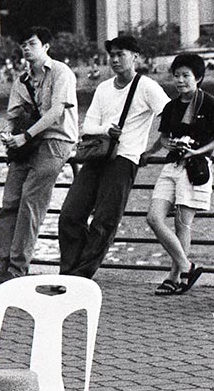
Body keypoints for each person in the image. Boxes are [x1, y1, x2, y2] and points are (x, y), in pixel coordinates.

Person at [58, 35, 169, 279]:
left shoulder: (147, 87)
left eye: (122, 54)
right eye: (113, 55)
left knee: (104, 221)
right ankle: (68, 272)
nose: (116, 59)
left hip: (125, 159)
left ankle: (80, 276)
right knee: (69, 215)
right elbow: (88, 126)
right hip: (97, 156)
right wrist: (106, 129)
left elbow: (170, 116)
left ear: (135, 57)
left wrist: (151, 151)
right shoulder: (103, 88)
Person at [0, 27, 79, 286]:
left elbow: (57, 111)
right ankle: (1, 265)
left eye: (32, 43)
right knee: (10, 202)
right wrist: (6, 134)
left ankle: (16, 269)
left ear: (46, 46)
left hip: (56, 140)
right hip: (26, 143)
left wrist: (24, 136)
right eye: (23, 44)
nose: (26, 48)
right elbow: (12, 116)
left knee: (30, 203)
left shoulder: (61, 72)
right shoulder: (21, 80)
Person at [144, 53, 214, 295]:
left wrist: (197, 150)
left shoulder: (209, 103)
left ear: (198, 77)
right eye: (176, 76)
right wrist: (163, 148)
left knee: (182, 223)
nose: (180, 80)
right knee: (154, 218)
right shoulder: (171, 106)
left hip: (195, 167)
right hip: (172, 165)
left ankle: (175, 277)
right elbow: (164, 136)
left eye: (186, 75)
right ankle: (188, 266)